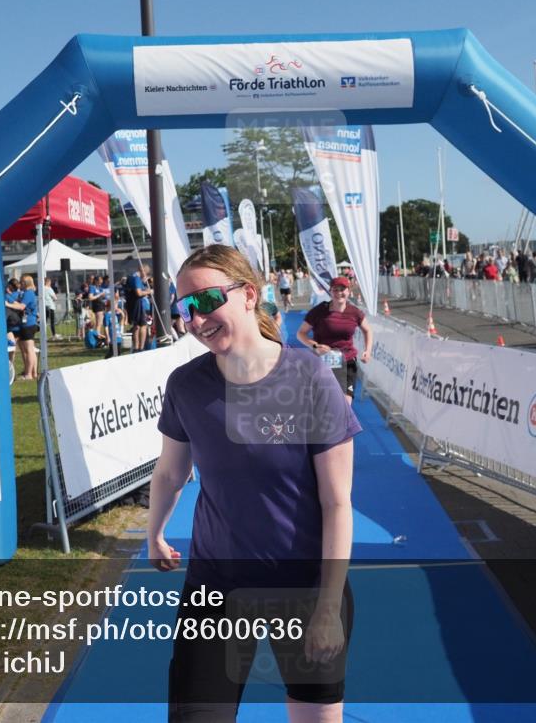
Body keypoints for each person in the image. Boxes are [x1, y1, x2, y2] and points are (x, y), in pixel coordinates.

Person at [149, 244, 360, 723]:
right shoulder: (186, 384)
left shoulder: (309, 376)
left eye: (204, 302)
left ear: (248, 295)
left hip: (305, 588)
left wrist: (327, 607)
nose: (194, 320)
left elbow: (336, 503)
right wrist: (154, 532)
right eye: (183, 309)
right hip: (217, 585)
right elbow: (170, 472)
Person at [297, 276, 373, 404]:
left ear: (348, 291)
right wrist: (315, 346)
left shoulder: (355, 312)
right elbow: (301, 333)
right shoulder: (320, 311)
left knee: (345, 405)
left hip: (347, 361)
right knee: (323, 403)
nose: (339, 293)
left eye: (342, 289)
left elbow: (368, 330)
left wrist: (368, 351)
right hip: (323, 362)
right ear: (330, 292)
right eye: (335, 290)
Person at [10, 274, 39, 380]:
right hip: (27, 324)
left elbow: (22, 306)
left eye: (21, 282)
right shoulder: (28, 293)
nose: (19, 284)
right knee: (28, 349)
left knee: (29, 350)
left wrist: (7, 304)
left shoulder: (28, 293)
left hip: (28, 324)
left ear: (25, 283)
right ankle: (32, 372)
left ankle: (28, 374)